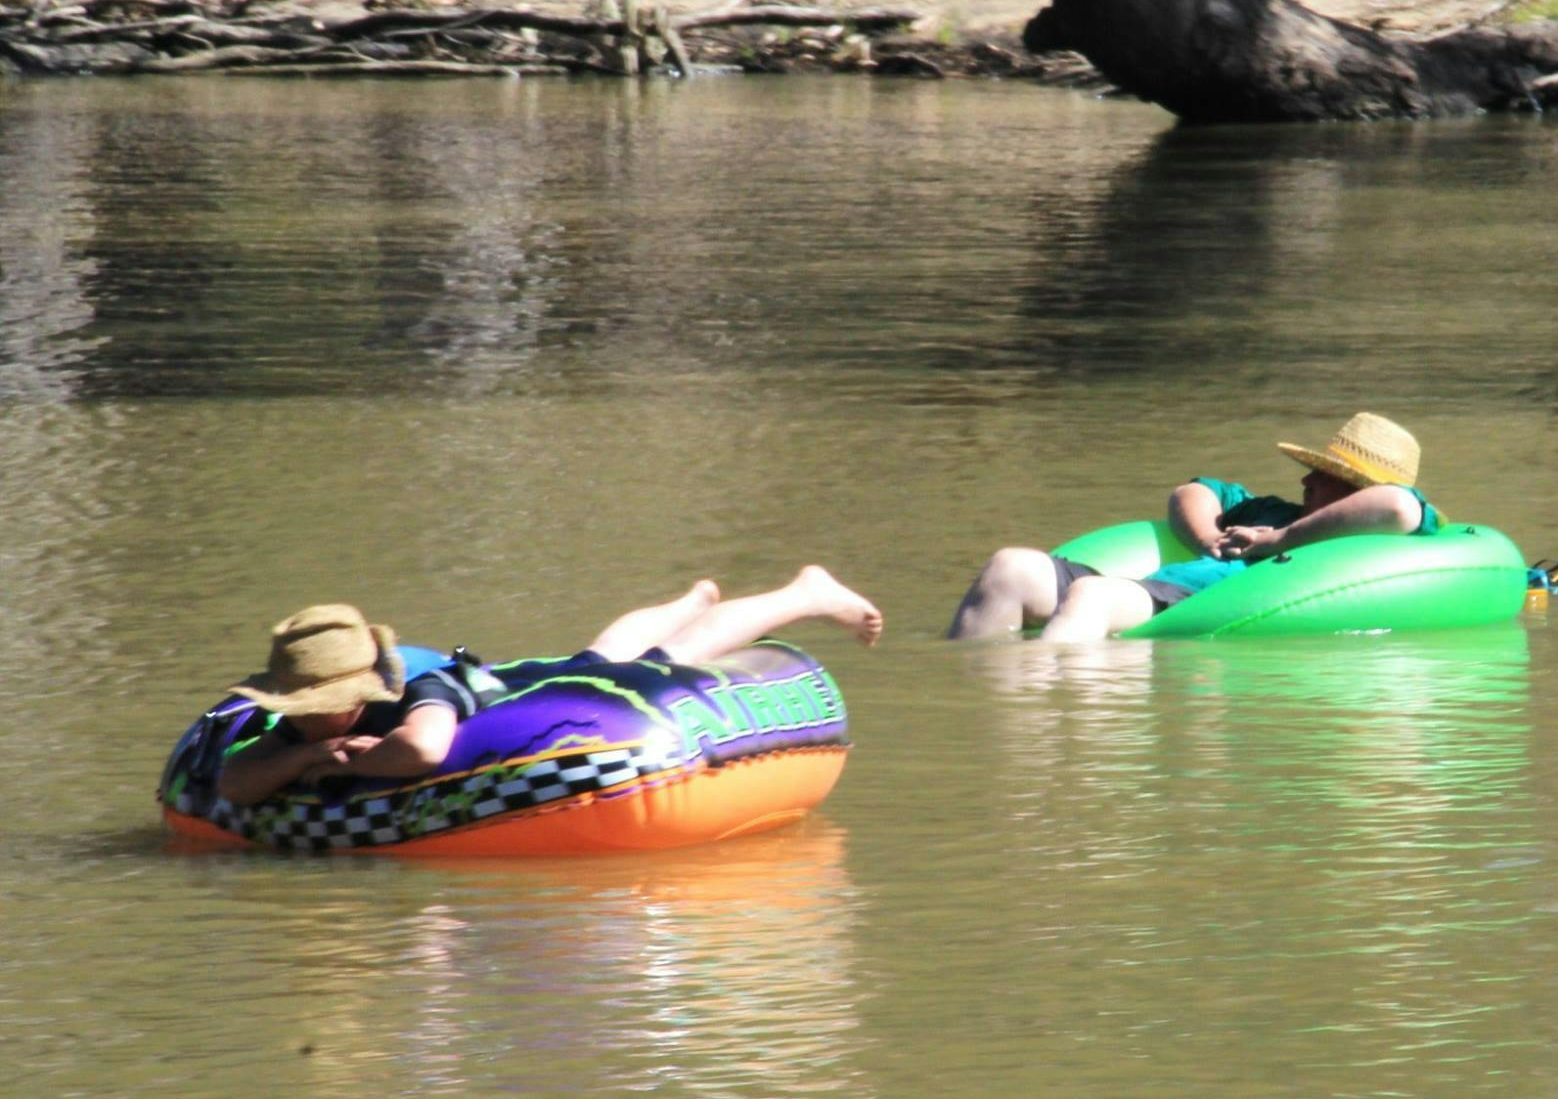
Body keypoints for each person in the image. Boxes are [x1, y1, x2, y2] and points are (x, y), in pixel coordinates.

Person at [217, 566, 883, 806]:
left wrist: (348, 762)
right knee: (607, 650)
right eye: (297, 707)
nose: (304, 717)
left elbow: (422, 749)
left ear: (358, 695)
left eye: (317, 708)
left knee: (667, 657)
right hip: (522, 678)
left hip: (537, 696)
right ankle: (692, 597)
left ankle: (805, 593)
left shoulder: (422, 692)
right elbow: (234, 783)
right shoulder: (299, 729)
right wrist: (309, 753)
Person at [944, 412, 1443, 642]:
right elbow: (1194, 491)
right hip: (1150, 588)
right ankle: (979, 710)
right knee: (1011, 567)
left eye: (1325, 476)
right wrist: (1208, 537)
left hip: (1193, 602)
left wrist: (1276, 541)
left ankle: (1044, 724)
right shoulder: (1269, 510)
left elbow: (1398, 505)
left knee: (1091, 596)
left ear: (1356, 492)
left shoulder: (1375, 539)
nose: (1306, 480)